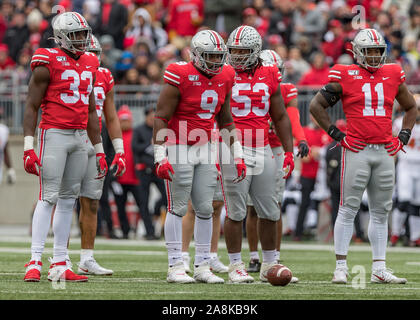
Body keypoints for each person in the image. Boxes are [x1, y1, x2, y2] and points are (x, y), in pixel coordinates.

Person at [309, 28, 417, 284]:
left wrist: (403, 136)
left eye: (378, 50)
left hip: (384, 151)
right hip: (356, 149)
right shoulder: (345, 74)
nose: (373, 55)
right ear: (357, 52)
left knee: (381, 211)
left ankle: (379, 268)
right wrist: (337, 134)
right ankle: (341, 267)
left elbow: (411, 106)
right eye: (368, 50)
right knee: (348, 209)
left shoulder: (392, 72)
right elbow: (316, 105)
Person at [153, 29, 245, 284]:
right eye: (209, 56)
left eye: (218, 56)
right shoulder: (180, 73)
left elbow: (226, 119)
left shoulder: (226, 74)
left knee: (206, 207)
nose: (215, 62)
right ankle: (175, 266)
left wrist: (236, 155)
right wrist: (160, 155)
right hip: (179, 144)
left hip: (206, 145)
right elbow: (161, 116)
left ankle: (203, 265)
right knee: (178, 207)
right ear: (195, 55)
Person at [22, 12, 107, 282]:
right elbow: (31, 105)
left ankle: (59, 262)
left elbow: (92, 110)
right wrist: (27, 146)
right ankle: (34, 260)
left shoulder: (91, 61)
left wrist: (100, 148)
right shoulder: (47, 60)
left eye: (84, 34)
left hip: (80, 136)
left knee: (69, 201)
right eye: (75, 35)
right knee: (48, 197)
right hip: (54, 133)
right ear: (60, 37)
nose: (82, 40)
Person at [221, 25, 295, 283]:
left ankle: (270, 264)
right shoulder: (223, 71)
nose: (237, 56)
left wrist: (288, 151)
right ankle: (235, 265)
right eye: (234, 50)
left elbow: (281, 115)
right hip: (233, 145)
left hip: (263, 145)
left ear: (255, 52)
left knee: (270, 210)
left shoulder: (269, 73)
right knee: (236, 211)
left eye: (243, 51)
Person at [245, 50, 308, 281]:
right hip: (255, 146)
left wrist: (300, 139)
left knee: (273, 204)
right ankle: (253, 256)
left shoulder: (284, 89)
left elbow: (292, 117)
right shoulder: (247, 85)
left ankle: (274, 258)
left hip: (276, 148)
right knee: (251, 207)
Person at [74, 35, 126, 276]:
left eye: (95, 53)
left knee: (92, 201)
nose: (92, 58)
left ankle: (87, 257)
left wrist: (119, 151)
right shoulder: (67, 70)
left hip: (96, 141)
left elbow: (112, 116)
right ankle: (57, 258)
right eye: (88, 52)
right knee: (62, 201)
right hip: (69, 135)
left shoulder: (104, 76)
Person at [112, 105, 156, 240]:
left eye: (127, 120)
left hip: (135, 178)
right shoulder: (114, 135)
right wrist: (112, 178)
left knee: (143, 206)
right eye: (122, 120)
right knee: (120, 207)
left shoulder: (135, 133)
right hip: (119, 178)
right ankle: (125, 231)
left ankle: (150, 231)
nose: (125, 122)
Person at [131, 104, 165, 240]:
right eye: (151, 116)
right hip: (144, 170)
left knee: (167, 197)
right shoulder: (139, 130)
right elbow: (135, 147)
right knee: (143, 202)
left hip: (158, 169)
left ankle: (156, 209)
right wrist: (149, 145)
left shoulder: (160, 130)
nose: (152, 119)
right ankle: (149, 232)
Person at [294, 115, 329, 241]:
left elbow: (328, 150)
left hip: (322, 175)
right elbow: (301, 152)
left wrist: (318, 152)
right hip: (307, 174)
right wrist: (311, 153)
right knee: (304, 203)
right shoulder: (304, 131)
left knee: (324, 204)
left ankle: (322, 233)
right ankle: (298, 232)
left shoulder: (326, 132)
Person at [392, 103, 420, 247]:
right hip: (405, 166)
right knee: (404, 200)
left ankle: (415, 237)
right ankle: (395, 234)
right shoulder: (399, 123)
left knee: (417, 204)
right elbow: (393, 143)